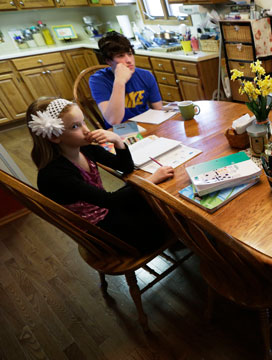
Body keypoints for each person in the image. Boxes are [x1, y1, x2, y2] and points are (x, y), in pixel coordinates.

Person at [27, 97, 174, 252]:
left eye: (83, 122)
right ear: (54, 137)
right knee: (160, 228)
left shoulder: (85, 148)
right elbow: (109, 200)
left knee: (161, 207)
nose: (86, 130)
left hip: (106, 207)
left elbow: (125, 167)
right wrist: (149, 181)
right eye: (75, 126)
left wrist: (118, 141)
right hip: (96, 229)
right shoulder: (55, 175)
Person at [90, 31, 163, 129]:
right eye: (120, 56)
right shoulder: (98, 80)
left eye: (130, 54)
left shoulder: (145, 75)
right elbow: (114, 121)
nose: (128, 60)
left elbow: (158, 109)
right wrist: (120, 81)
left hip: (146, 123)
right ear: (108, 61)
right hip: (120, 129)